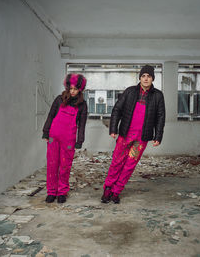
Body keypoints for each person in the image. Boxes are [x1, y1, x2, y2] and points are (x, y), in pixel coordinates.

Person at [101, 65, 165, 204]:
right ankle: (107, 189)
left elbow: (160, 117)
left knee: (129, 165)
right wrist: (113, 129)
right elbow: (117, 109)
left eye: (149, 76)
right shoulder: (130, 92)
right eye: (143, 76)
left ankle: (116, 191)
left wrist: (158, 136)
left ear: (153, 78)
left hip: (141, 139)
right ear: (140, 78)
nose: (146, 78)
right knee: (117, 162)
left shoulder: (158, 96)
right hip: (125, 135)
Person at [42, 74, 87, 204]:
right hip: (53, 137)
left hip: (68, 140)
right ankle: (51, 192)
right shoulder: (59, 100)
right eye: (71, 88)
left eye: (75, 89)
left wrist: (80, 141)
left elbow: (82, 125)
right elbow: (51, 116)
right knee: (52, 165)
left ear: (80, 89)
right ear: (67, 87)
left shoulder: (82, 105)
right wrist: (46, 132)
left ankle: (62, 192)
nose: (72, 91)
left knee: (64, 167)